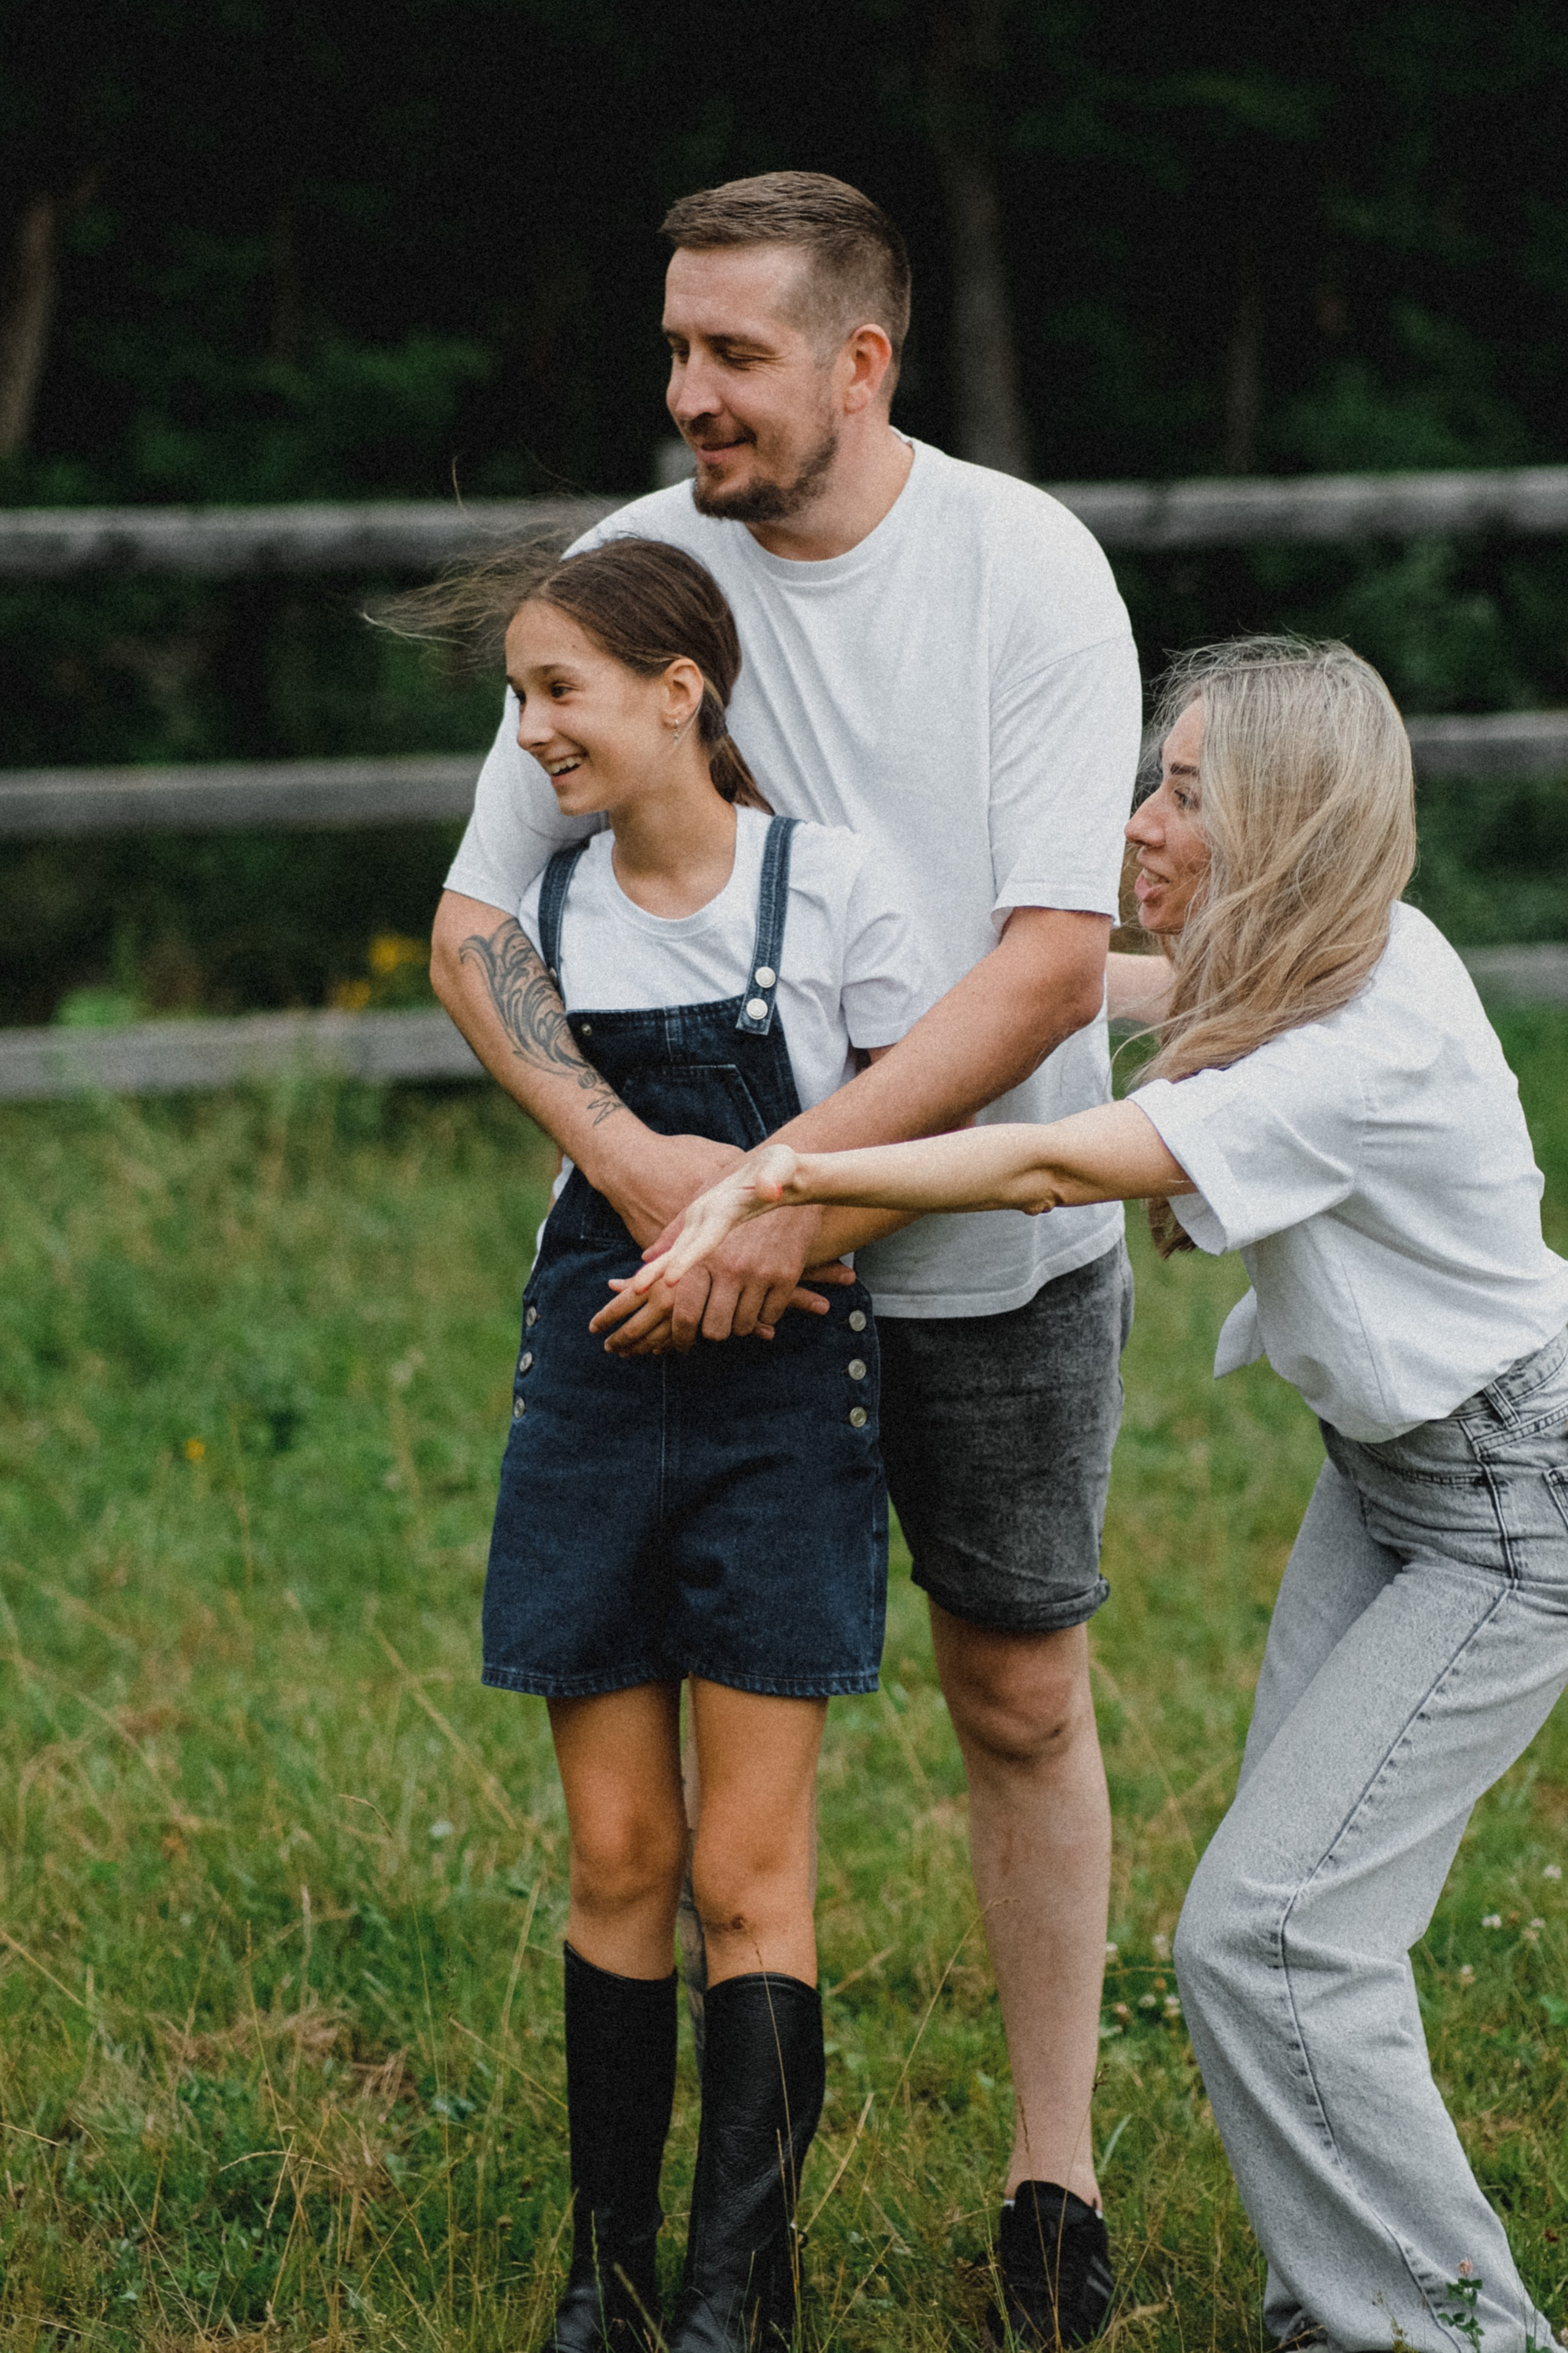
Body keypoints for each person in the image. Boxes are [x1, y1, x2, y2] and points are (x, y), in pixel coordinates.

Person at [633, 635, 1568, 2353]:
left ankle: (1463, 2332)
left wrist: (800, 1166)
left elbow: (1065, 1158)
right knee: (1297, 1934)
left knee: (1268, 1934)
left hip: (1516, 1508)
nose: (1139, 825)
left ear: (1284, 825)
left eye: (1185, 796)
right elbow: (1112, 992)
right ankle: (1335, 2308)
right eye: (1153, 780)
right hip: (1397, 1484)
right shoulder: (1324, 959)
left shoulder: (1363, 1030)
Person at [431, 170, 1141, 2348]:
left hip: (990, 1234)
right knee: (702, 1798)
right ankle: (682, 2266)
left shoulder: (1026, 566)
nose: (690, 394)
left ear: (861, 360)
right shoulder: (644, 576)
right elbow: (478, 929)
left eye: (736, 354)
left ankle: (1054, 2173)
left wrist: (779, 1191)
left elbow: (1046, 965)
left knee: (1017, 1684)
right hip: (703, 1288)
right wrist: (653, 1164)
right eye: (676, 349)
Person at [410, 534, 932, 2351]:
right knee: (621, 1848)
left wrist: (757, 1234)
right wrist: (661, 1204)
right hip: (596, 1387)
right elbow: (543, 1089)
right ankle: (608, 2276)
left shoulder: (832, 891)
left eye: (557, 690)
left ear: (678, 691)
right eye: (517, 697)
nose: (531, 730)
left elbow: (906, 1149)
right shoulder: (537, 918)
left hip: (783, 1397)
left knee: (743, 1871)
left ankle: (739, 2291)